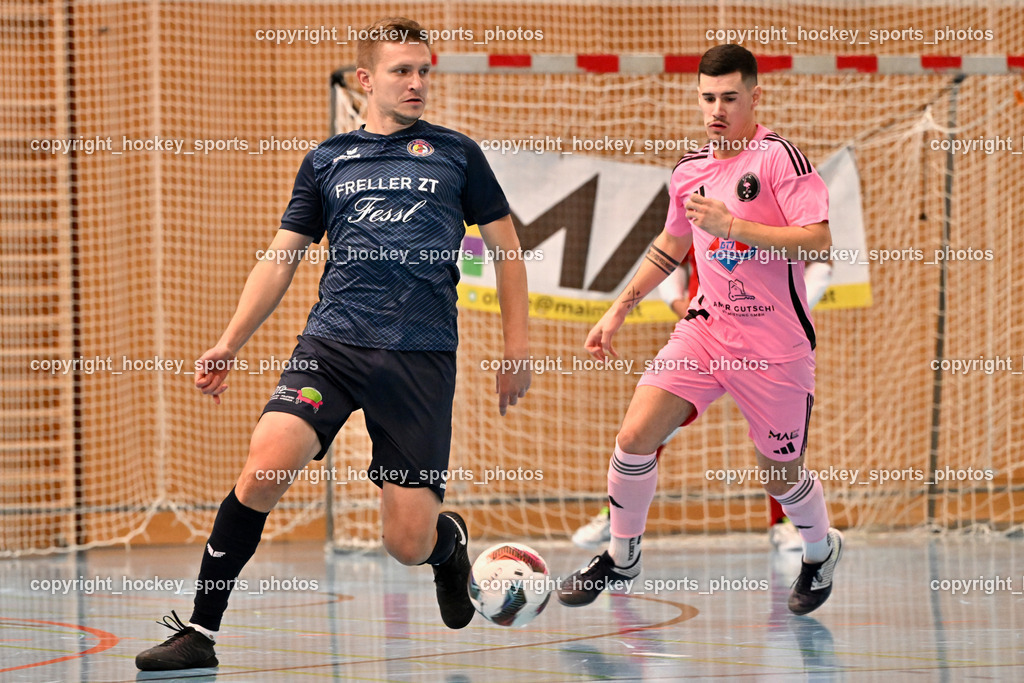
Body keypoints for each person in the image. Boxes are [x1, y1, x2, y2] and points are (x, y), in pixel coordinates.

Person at [136, 17, 531, 671]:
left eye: (424, 71)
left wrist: (517, 345)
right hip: (334, 345)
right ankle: (199, 630)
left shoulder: (458, 154)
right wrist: (229, 342)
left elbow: (507, 248)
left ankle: (446, 542)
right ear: (365, 80)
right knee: (266, 463)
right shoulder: (327, 161)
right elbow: (281, 258)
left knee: (406, 541)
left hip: (420, 358)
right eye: (402, 71)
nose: (416, 83)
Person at [557, 44, 842, 616]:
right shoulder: (689, 170)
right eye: (708, 98)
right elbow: (672, 243)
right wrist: (621, 306)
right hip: (706, 330)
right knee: (635, 437)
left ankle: (820, 550)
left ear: (754, 97)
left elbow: (818, 240)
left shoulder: (780, 158)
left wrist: (734, 224)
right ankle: (622, 555)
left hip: (774, 346)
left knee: (780, 477)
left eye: (729, 98)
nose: (717, 109)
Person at [571, 249, 832, 553]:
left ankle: (789, 525)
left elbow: (821, 259)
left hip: (769, 346)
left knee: (778, 447)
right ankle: (616, 522)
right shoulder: (696, 204)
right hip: (705, 337)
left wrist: (786, 313)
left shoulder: (776, 208)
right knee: (645, 431)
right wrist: (676, 304)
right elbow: (672, 251)